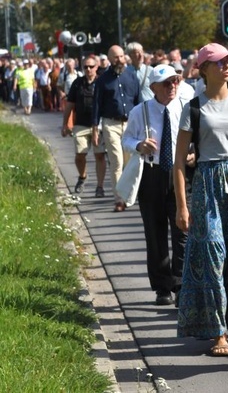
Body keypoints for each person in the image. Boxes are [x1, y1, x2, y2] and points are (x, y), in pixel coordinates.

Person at [173, 43, 228, 356]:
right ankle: (217, 330)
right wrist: (182, 205)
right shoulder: (193, 107)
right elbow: (180, 162)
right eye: (220, 62)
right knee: (211, 256)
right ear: (204, 68)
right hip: (207, 184)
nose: (227, 67)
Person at [122, 65, 187, 306]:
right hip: (152, 174)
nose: (172, 87)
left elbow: (197, 137)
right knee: (155, 232)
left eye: (175, 81)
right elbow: (126, 138)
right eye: (167, 83)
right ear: (153, 88)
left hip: (180, 173)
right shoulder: (141, 111)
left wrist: (192, 153)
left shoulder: (185, 107)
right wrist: (139, 145)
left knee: (183, 229)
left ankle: (181, 283)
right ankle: (162, 287)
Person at [92, 45, 140, 212]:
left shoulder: (132, 76)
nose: (119, 60)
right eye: (115, 57)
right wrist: (94, 128)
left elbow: (138, 101)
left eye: (121, 56)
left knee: (129, 162)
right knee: (116, 161)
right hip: (110, 124)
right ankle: (119, 199)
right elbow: (96, 105)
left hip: (130, 124)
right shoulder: (103, 80)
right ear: (110, 59)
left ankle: (129, 195)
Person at [61, 55, 107, 197]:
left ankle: (100, 186)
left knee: (99, 155)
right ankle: (83, 176)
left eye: (91, 66)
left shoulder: (102, 82)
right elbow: (70, 104)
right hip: (80, 123)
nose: (88, 69)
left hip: (98, 125)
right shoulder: (77, 83)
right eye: (85, 67)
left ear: (96, 67)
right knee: (80, 155)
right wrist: (64, 124)